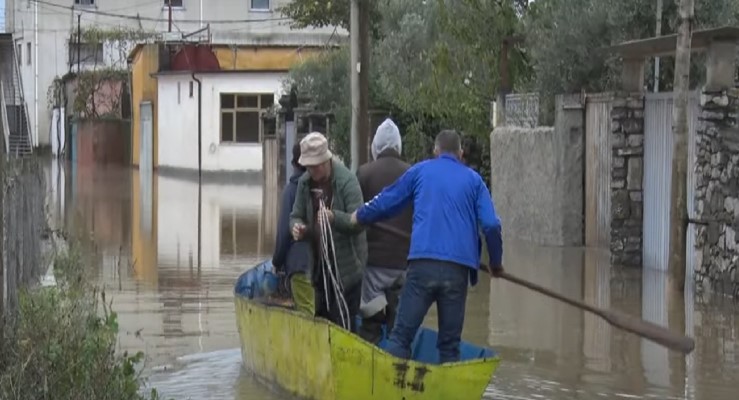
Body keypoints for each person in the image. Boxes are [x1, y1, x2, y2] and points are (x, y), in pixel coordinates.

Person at [350, 129, 504, 363]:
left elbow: (387, 201)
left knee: (401, 337)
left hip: (422, 267)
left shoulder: (420, 171)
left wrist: (360, 216)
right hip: (458, 271)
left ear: (435, 150)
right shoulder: (474, 181)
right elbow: (492, 225)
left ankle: (388, 388)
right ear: (461, 153)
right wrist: (496, 263)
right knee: (450, 345)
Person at [290, 132, 367, 332]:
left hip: (347, 273)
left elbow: (359, 221)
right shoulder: (304, 183)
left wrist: (334, 218)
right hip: (318, 270)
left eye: (313, 166)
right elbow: (295, 215)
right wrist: (297, 228)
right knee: (321, 326)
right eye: (307, 166)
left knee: (345, 328)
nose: (310, 171)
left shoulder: (347, 182)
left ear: (325, 161)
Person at [355, 119, 412, 344]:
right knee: (399, 323)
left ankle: (371, 345)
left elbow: (354, 216)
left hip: (374, 263)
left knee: (371, 316)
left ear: (375, 146)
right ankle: (398, 352)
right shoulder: (413, 174)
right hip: (406, 262)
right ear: (398, 146)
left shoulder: (364, 173)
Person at [272, 143, 314, 314]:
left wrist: (276, 262)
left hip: (300, 264)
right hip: (323, 266)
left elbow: (284, 234)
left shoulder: (291, 191)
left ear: (294, 164)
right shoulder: (325, 187)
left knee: (307, 316)